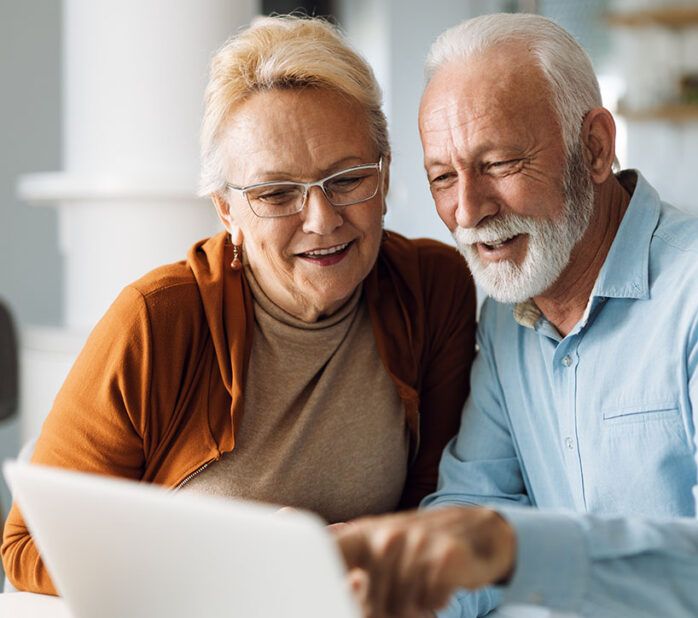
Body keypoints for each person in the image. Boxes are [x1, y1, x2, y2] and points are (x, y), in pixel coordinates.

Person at [332, 13, 698, 618]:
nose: (467, 210)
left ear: (595, 148)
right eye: (443, 177)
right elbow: (471, 508)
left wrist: (505, 551)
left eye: (498, 164)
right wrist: (370, 584)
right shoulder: (508, 321)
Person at [1, 15, 476, 595]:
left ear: (384, 172)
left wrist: (359, 551)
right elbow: (25, 548)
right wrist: (232, 556)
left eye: (348, 179)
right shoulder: (155, 321)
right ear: (227, 212)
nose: (322, 220)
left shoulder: (433, 286)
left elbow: (438, 498)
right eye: (276, 194)